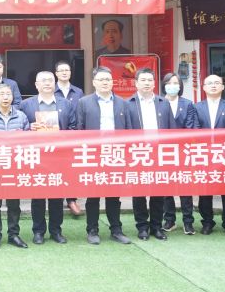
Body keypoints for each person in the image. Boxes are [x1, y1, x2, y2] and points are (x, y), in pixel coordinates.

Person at [75, 66, 132, 245]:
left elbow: (129, 130)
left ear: (112, 82)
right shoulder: (84, 102)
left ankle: (116, 229)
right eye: (101, 79)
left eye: (108, 79)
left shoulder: (123, 103)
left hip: (116, 154)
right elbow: (79, 129)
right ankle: (92, 230)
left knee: (114, 195)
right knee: (93, 195)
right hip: (93, 154)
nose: (105, 82)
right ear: (94, 82)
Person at [20, 71, 76, 244]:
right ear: (36, 85)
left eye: (50, 80)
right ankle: (38, 231)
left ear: (55, 84)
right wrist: (29, 128)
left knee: (57, 196)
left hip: (59, 156)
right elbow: (20, 128)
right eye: (43, 80)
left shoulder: (66, 104)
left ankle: (56, 230)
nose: (47, 83)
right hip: (36, 156)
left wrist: (62, 135)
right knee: (37, 196)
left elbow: (74, 127)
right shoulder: (26, 104)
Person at [0, 84, 30, 250]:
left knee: (14, 203)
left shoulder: (21, 117)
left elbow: (28, 141)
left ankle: (14, 234)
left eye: (8, 94)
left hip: (15, 167)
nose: (6, 97)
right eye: (2, 94)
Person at [126, 67, 173, 241]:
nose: (146, 83)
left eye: (150, 80)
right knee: (139, 192)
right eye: (143, 80)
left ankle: (156, 226)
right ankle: (142, 227)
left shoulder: (163, 103)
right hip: (137, 153)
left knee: (158, 191)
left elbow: (171, 129)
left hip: (159, 152)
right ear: (136, 83)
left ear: (154, 83)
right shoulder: (128, 103)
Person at [193, 74, 225, 237]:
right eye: (210, 83)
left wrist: (216, 142)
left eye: (217, 83)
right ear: (204, 87)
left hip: (224, 153)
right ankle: (207, 222)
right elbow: (195, 130)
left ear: (222, 87)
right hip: (204, 153)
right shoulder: (196, 107)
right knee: (205, 190)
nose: (213, 86)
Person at [160, 72, 198, 235]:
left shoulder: (188, 104)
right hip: (163, 151)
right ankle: (169, 219)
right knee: (166, 187)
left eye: (176, 83)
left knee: (185, 186)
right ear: (164, 85)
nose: (172, 86)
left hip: (183, 151)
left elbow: (191, 127)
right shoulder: (158, 102)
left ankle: (188, 221)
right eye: (169, 83)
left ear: (180, 86)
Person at [54, 60, 84, 217]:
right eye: (61, 70)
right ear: (56, 73)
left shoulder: (78, 92)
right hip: (54, 136)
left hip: (73, 135)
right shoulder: (51, 90)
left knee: (71, 168)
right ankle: (56, 197)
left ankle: (71, 199)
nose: (65, 72)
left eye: (67, 70)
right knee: (56, 167)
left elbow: (81, 112)